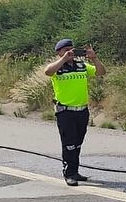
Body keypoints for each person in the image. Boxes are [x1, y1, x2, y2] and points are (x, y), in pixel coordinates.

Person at [43, 39, 105, 186]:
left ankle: (75, 171)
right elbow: (47, 71)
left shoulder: (81, 66)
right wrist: (64, 59)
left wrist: (94, 58)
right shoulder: (57, 68)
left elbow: (101, 72)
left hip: (82, 111)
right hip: (65, 112)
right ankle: (69, 174)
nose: (70, 52)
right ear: (59, 52)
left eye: (72, 49)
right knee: (69, 144)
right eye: (66, 50)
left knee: (77, 143)